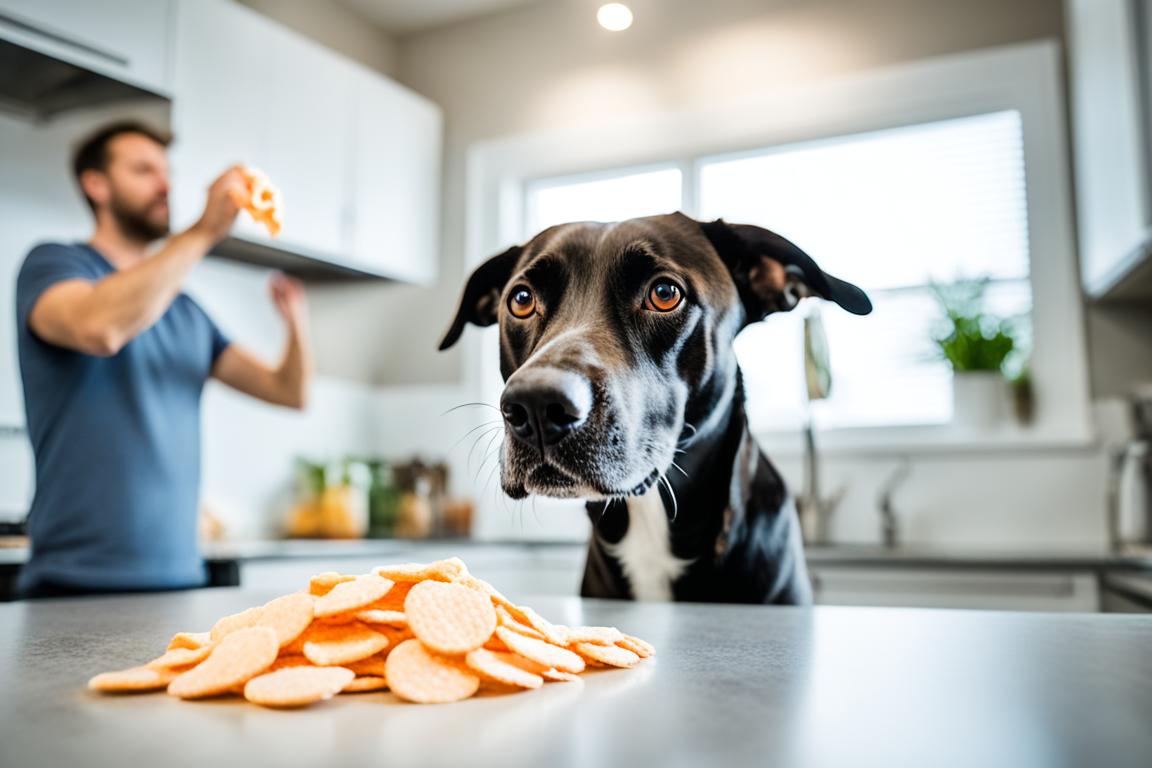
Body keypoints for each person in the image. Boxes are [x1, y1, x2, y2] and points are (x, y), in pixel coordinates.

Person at [14, 121, 312, 598]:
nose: (166, 184)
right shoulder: (53, 266)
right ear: (97, 185)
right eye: (143, 170)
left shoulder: (186, 311)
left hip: (179, 581)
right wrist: (202, 231)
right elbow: (101, 328)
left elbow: (288, 391)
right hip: (72, 584)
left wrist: (296, 322)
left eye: (167, 172)